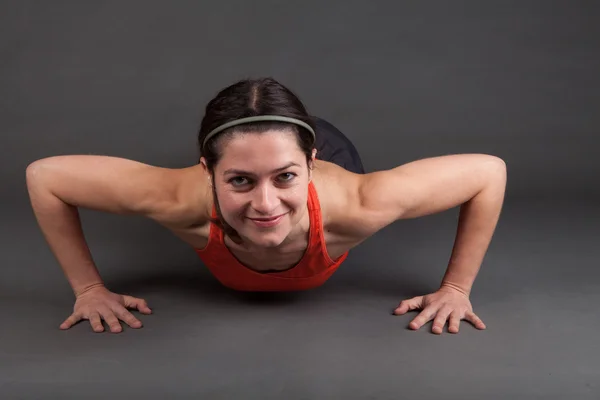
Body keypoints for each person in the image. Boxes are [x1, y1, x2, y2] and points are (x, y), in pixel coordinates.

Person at [25, 77, 507, 335]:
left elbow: (488, 172)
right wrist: (89, 289)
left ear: (312, 165)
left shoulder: (362, 204)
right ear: (205, 171)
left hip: (324, 169)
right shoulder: (174, 198)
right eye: (238, 180)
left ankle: (268, 160)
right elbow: (45, 177)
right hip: (252, 159)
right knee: (258, 161)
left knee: (271, 162)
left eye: (286, 178)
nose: (265, 205)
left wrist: (455, 288)